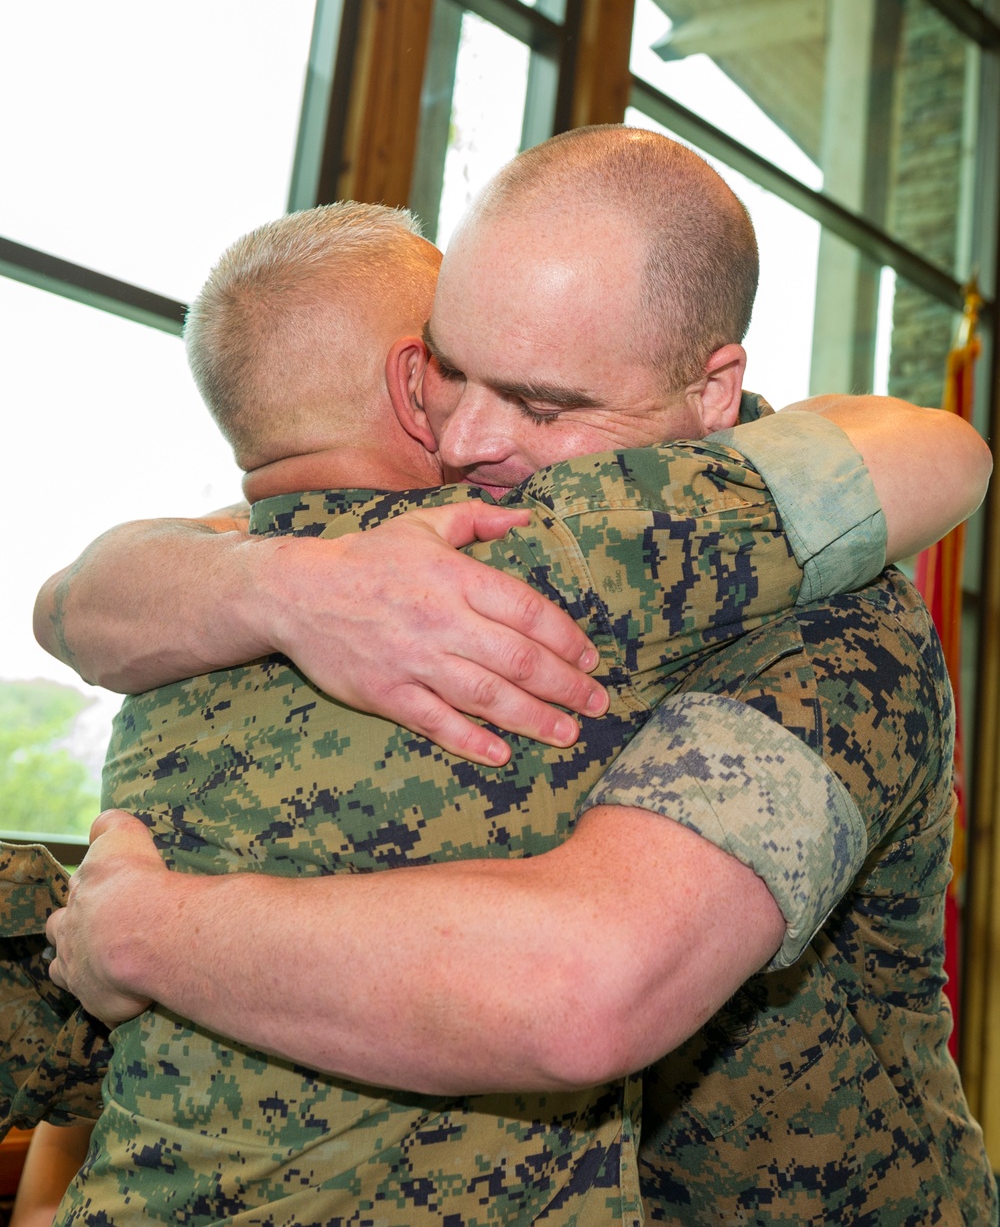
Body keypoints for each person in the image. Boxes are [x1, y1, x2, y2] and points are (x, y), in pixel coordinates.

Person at [38, 129, 995, 1223]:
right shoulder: (434, 535)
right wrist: (290, 588)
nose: (469, 437)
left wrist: (145, 931)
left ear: (712, 389)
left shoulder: (831, 622)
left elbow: (586, 986)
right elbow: (78, 604)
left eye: (543, 405)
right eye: (451, 369)